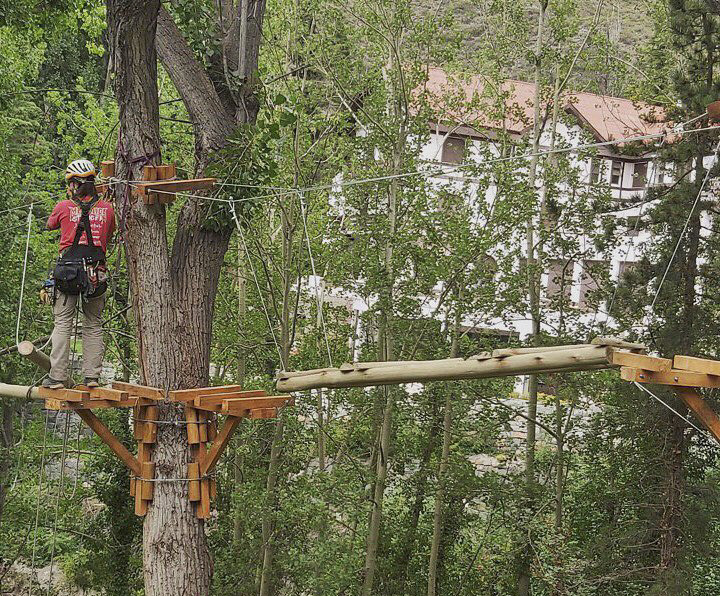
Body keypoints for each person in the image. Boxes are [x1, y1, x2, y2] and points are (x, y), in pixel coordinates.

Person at [42, 159, 115, 389]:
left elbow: (50, 225)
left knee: (63, 323)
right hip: (96, 272)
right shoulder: (107, 209)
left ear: (74, 184)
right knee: (93, 324)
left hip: (68, 272)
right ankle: (92, 377)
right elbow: (108, 235)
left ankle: (57, 377)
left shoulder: (63, 206)